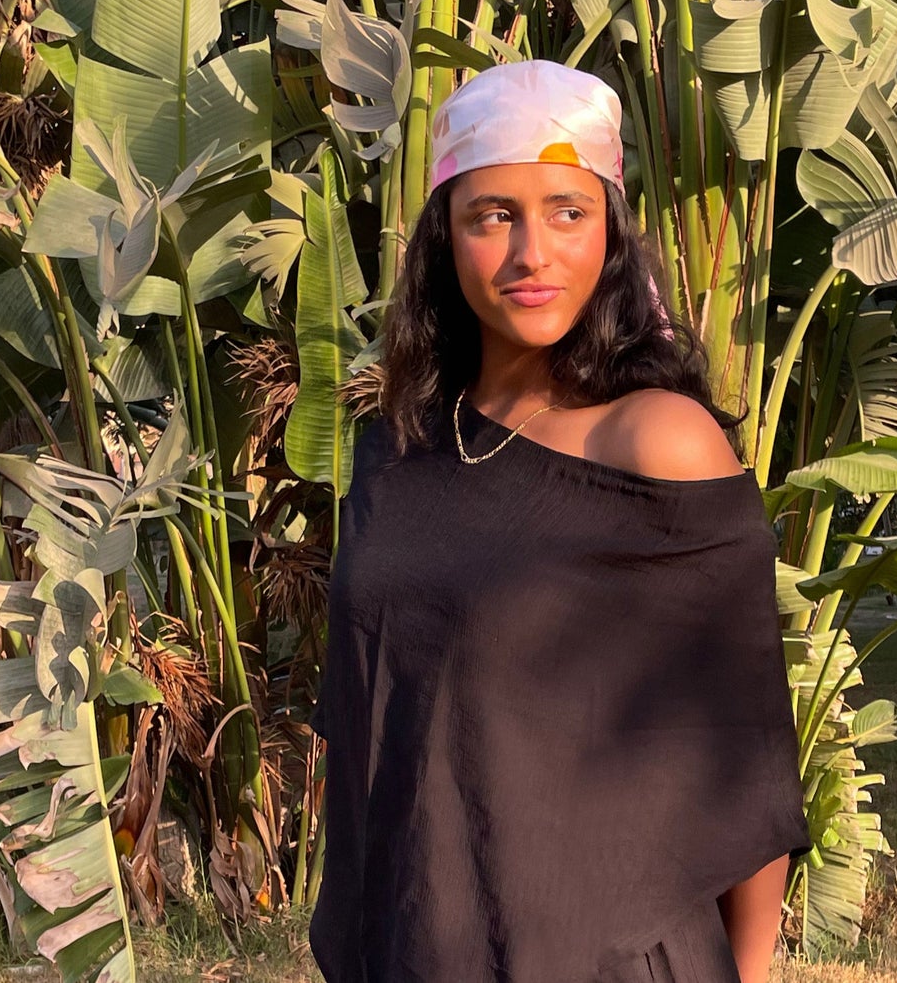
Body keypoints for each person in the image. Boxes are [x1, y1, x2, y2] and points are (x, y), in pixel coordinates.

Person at [307, 59, 811, 983]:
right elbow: (371, 716)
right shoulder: (396, 448)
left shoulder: (657, 442)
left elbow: (745, 754)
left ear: (609, 231)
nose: (531, 252)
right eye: (493, 215)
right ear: (446, 238)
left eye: (567, 212)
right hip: (422, 946)